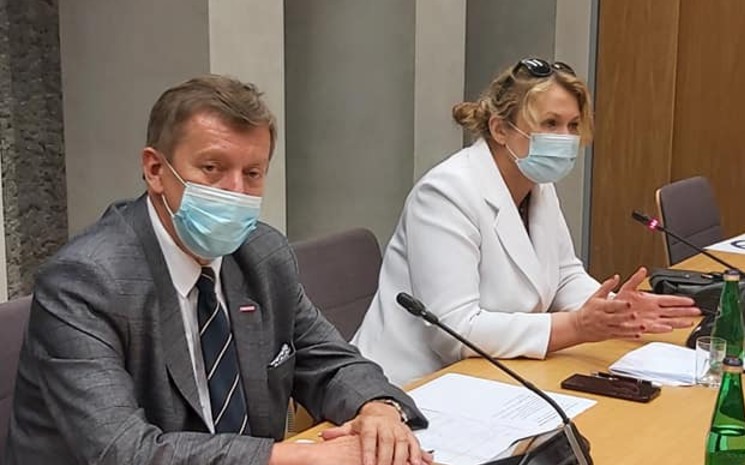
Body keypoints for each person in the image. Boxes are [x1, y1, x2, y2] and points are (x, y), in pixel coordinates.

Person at [5, 75, 432, 465]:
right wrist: (298, 458)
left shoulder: (262, 254)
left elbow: (331, 363)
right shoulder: (84, 282)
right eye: (212, 169)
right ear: (156, 170)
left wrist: (378, 409)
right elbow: (124, 451)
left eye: (253, 173)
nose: (235, 192)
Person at [352, 58, 701, 386]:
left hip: (498, 374)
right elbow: (454, 331)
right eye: (550, 124)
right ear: (500, 129)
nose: (565, 138)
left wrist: (612, 310)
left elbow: (564, 275)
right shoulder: (445, 193)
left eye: (573, 125)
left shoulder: (537, 185)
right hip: (413, 386)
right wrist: (576, 326)